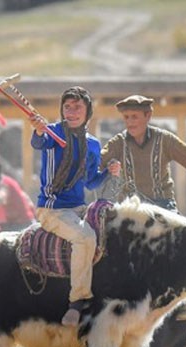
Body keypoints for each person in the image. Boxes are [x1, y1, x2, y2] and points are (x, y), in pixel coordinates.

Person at [99, 94, 186, 320]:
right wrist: (98, 163)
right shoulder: (117, 144)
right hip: (132, 210)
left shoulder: (165, 140)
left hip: (163, 206)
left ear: (148, 115)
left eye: (134, 116)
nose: (130, 121)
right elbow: (99, 159)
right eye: (126, 117)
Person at [30, 86, 108, 326]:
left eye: (77, 107)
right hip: (52, 210)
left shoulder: (93, 144)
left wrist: (108, 172)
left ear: (88, 112)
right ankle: (78, 301)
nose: (71, 111)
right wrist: (38, 129)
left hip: (77, 209)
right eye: (67, 107)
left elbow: (90, 180)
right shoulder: (52, 133)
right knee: (85, 238)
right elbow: (38, 142)